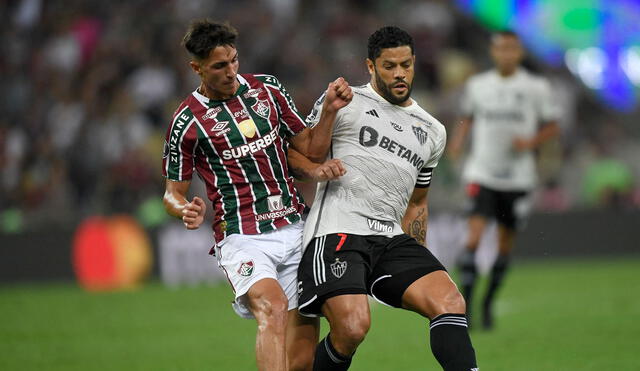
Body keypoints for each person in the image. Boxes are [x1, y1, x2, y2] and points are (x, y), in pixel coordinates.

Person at [161, 19, 352, 371]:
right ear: (197, 68)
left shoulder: (268, 89)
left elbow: (310, 148)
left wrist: (328, 112)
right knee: (273, 307)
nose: (231, 71)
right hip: (242, 236)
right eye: (220, 66)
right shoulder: (186, 121)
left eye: (234, 60)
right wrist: (184, 209)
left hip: (296, 226)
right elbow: (172, 193)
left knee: (302, 357)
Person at [293, 26, 478, 371]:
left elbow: (418, 201)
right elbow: (300, 154)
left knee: (450, 300)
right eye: (389, 65)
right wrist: (329, 116)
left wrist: (416, 250)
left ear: (414, 63)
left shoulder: (432, 129)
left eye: (405, 65)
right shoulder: (346, 101)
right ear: (371, 66)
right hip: (338, 231)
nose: (399, 74)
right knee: (351, 328)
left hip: (390, 237)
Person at [448, 30, 559, 330]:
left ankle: (487, 303)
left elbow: (552, 125)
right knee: (472, 239)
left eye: (511, 49)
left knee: (505, 245)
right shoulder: (478, 85)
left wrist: (531, 142)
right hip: (482, 172)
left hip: (518, 177)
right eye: (500, 49)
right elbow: (468, 117)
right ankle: (467, 308)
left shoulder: (535, 87)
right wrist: (458, 142)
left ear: (519, 53)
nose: (505, 54)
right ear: (493, 52)